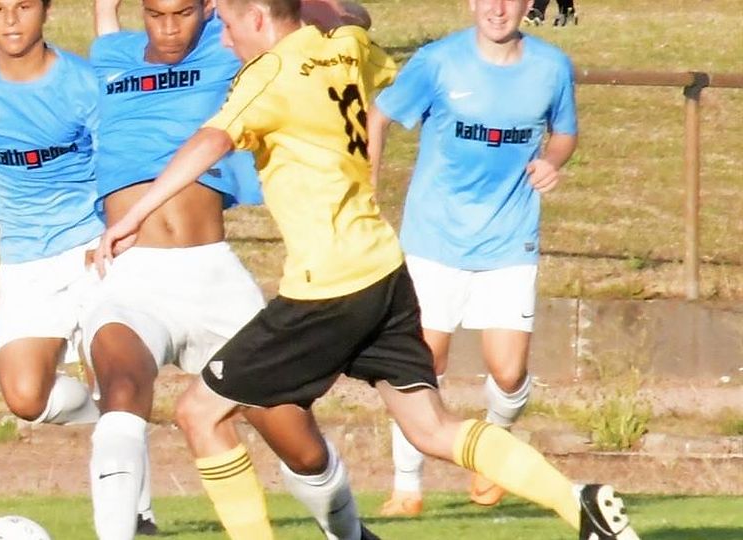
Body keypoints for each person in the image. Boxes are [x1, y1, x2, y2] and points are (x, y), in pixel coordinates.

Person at [101, 0, 640, 539]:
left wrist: (134, 216)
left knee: (200, 412)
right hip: (384, 272)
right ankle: (579, 503)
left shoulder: (269, 73)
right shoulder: (344, 49)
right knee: (432, 427)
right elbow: (354, 20)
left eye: (231, 25)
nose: (223, 39)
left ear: (260, 19)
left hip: (327, 289)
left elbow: (212, 140)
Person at [0, 1, 153, 533]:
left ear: (46, 10)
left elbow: (118, 164)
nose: (10, 20)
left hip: (91, 248)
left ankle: (138, 512)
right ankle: (112, 424)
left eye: (23, 7)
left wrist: (114, 233)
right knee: (25, 397)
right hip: (24, 261)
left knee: (115, 376)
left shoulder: (83, 84)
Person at [368, 0, 580, 516]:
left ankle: (492, 453)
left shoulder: (551, 66)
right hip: (434, 238)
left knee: (508, 373)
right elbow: (379, 115)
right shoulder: (438, 61)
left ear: (527, 5)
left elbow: (565, 132)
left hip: (509, 238)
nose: (497, 9)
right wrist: (366, 190)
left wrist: (552, 160)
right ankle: (406, 486)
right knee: (422, 363)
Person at [81, 0, 271, 538]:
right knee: (121, 388)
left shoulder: (228, 41)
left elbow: (347, 19)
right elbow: (106, 17)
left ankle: (346, 528)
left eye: (183, 12)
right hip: (132, 272)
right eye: (154, 13)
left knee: (286, 419)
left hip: (211, 273)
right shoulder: (110, 54)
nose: (168, 28)